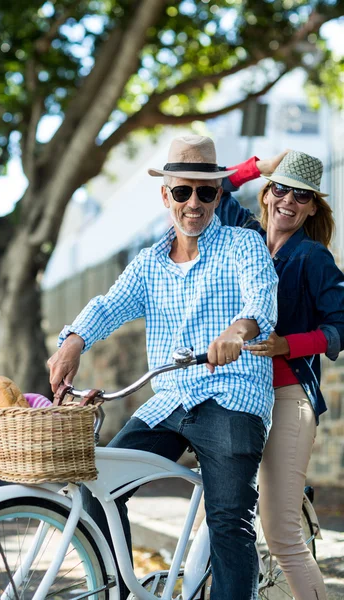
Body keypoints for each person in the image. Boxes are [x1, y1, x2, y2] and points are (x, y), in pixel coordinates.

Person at [48, 135, 278, 600]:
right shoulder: (148, 264)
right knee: (99, 489)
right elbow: (109, 305)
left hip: (233, 395)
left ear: (219, 194)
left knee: (229, 519)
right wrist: (73, 341)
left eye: (206, 192)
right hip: (171, 399)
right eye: (182, 191)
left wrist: (239, 330)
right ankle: (117, 590)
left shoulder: (242, 244)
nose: (194, 203)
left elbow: (262, 297)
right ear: (165, 194)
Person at [216, 150, 344, 600]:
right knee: (220, 524)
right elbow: (215, 190)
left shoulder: (313, 257)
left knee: (282, 535)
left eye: (302, 195)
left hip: (289, 398)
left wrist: (288, 345)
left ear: (311, 207)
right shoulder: (244, 235)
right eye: (281, 188)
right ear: (268, 194)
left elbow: (339, 328)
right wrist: (259, 166)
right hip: (238, 395)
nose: (288, 200)